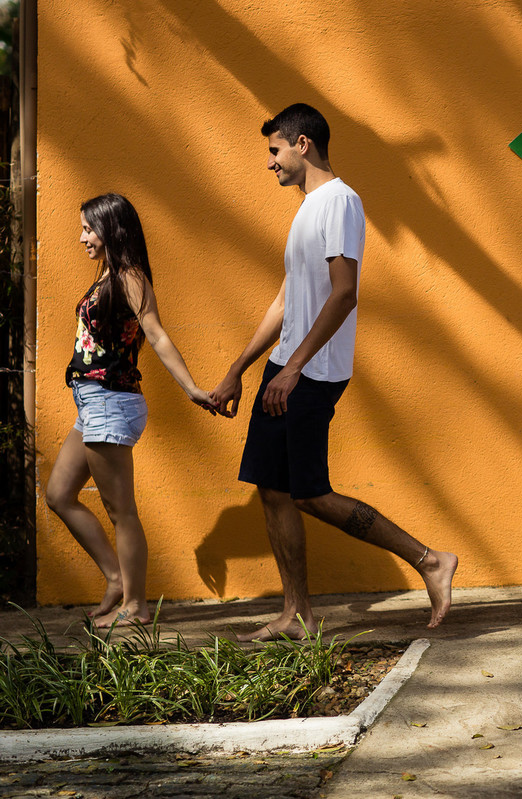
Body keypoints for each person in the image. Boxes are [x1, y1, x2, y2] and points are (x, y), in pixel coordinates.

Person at [210, 103, 458, 640]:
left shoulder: (340, 202)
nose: (269, 162)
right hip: (286, 368)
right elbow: (286, 300)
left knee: (309, 493)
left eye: (274, 150)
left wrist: (294, 367)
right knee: (273, 490)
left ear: (303, 145)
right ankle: (296, 612)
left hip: (313, 371)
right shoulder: (306, 209)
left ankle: (430, 560)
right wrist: (238, 368)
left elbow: (344, 294)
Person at [45, 193, 215, 628]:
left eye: (88, 228)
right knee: (59, 495)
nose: (81, 236)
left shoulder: (130, 276)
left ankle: (136, 606)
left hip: (110, 401)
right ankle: (116, 579)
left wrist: (191, 387)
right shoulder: (106, 274)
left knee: (122, 511)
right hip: (92, 402)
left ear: (110, 229)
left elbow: (155, 335)